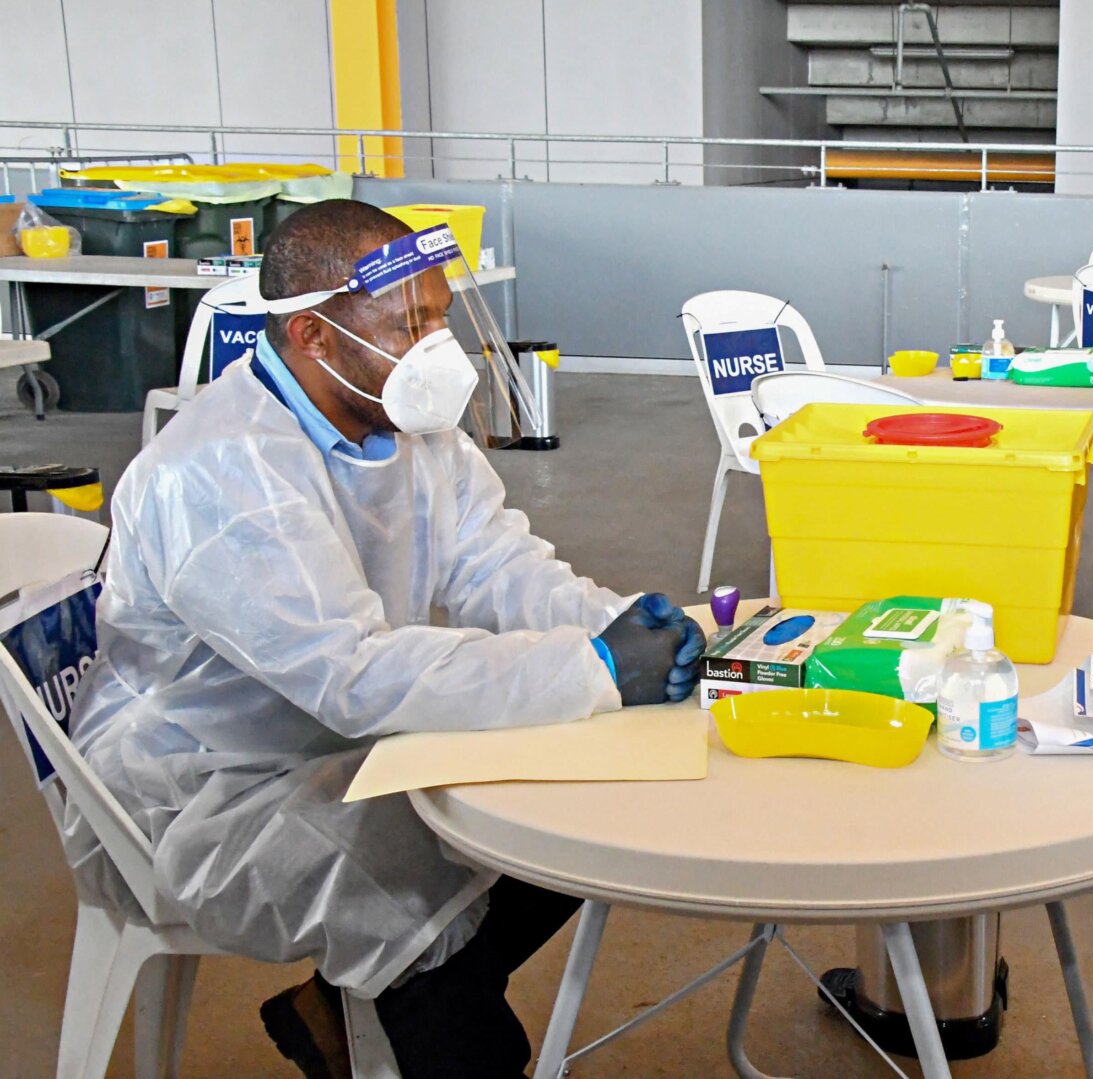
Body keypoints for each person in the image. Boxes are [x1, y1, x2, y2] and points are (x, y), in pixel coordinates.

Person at [62, 199, 704, 1079]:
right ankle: (431, 1025)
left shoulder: (408, 431)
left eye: (439, 314)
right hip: (208, 787)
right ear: (315, 338)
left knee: (575, 818)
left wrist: (618, 622)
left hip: (330, 743)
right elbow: (353, 673)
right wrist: (591, 668)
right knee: (421, 925)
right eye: (408, 323)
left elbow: (499, 569)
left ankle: (334, 1009)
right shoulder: (220, 471)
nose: (437, 344)